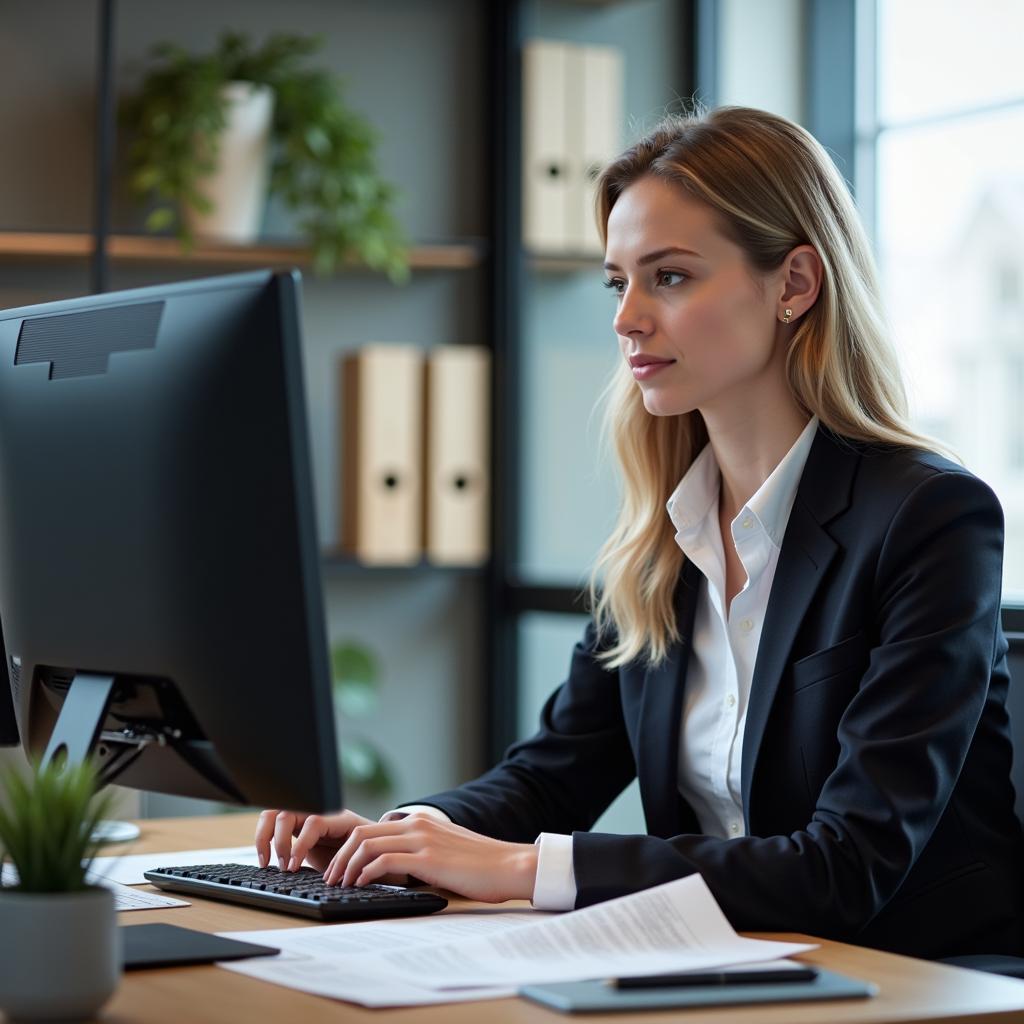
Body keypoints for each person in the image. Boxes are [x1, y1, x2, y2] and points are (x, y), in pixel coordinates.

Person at [255, 105, 1024, 960]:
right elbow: (552, 776)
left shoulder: (930, 518)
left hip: (918, 980)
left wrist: (517, 869)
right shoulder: (667, 534)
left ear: (795, 285)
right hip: (728, 968)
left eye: (670, 277)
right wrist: (404, 836)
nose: (626, 319)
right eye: (618, 282)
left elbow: (845, 869)